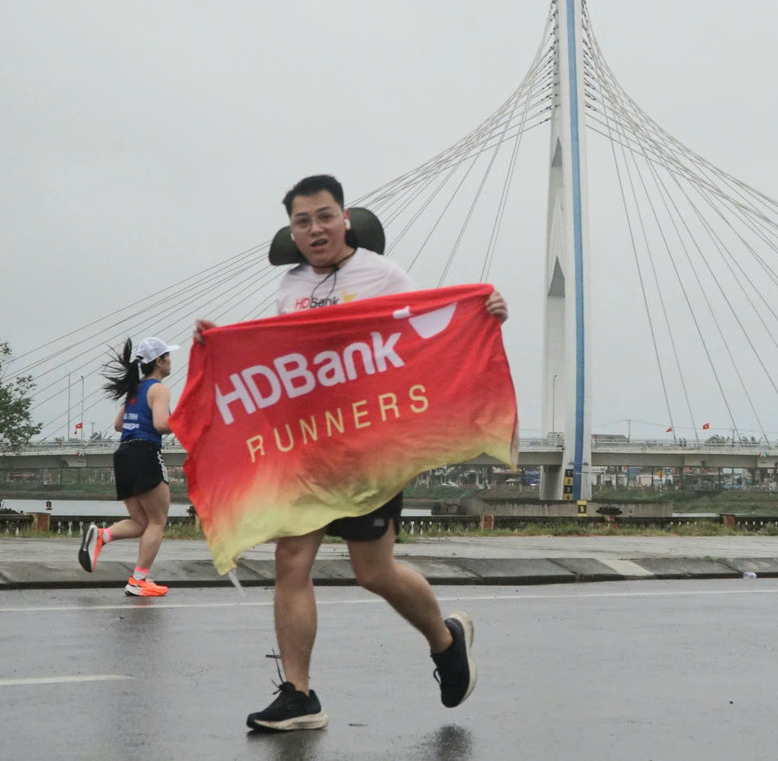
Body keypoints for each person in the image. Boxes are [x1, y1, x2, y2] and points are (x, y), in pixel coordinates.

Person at [194, 174, 509, 732]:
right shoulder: (289, 286)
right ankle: (299, 695)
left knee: (373, 570)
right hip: (305, 449)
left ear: (345, 218)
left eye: (324, 216)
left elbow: (425, 329)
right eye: (302, 221)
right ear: (290, 230)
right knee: (291, 562)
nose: (315, 229)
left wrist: (482, 313)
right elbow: (284, 358)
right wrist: (224, 343)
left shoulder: (383, 275)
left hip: (366, 448)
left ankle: (446, 639)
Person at [77, 336, 177, 597]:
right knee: (158, 520)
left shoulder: (135, 388)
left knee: (141, 521)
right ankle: (138, 580)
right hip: (145, 452)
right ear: (159, 361)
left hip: (123, 454)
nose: (171, 361)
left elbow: (119, 425)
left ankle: (102, 536)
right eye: (168, 356)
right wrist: (190, 421)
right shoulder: (159, 389)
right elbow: (161, 425)